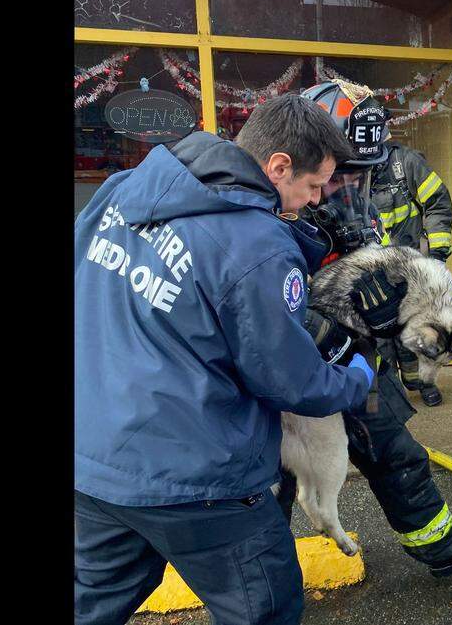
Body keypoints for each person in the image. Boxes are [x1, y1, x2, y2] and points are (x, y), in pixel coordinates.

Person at [74, 94, 393, 625]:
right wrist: (359, 373)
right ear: (278, 166)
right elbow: (294, 383)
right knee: (264, 606)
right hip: (196, 478)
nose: (315, 203)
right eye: (313, 187)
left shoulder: (122, 189)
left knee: (92, 605)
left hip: (95, 461)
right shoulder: (259, 245)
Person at [278, 80, 452, 579]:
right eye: (337, 180)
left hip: (357, 365)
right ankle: (268, 590)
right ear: (300, 164)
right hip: (289, 380)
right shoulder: (268, 219)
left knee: (397, 453)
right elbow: (270, 314)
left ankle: (440, 548)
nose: (346, 192)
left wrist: (389, 315)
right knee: (268, 486)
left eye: (360, 178)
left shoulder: (359, 204)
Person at [368, 123, 452, 407]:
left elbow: (438, 204)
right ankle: (386, 394)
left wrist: (438, 256)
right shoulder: (350, 168)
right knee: (378, 340)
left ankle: (423, 383)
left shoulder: (406, 163)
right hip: (372, 273)